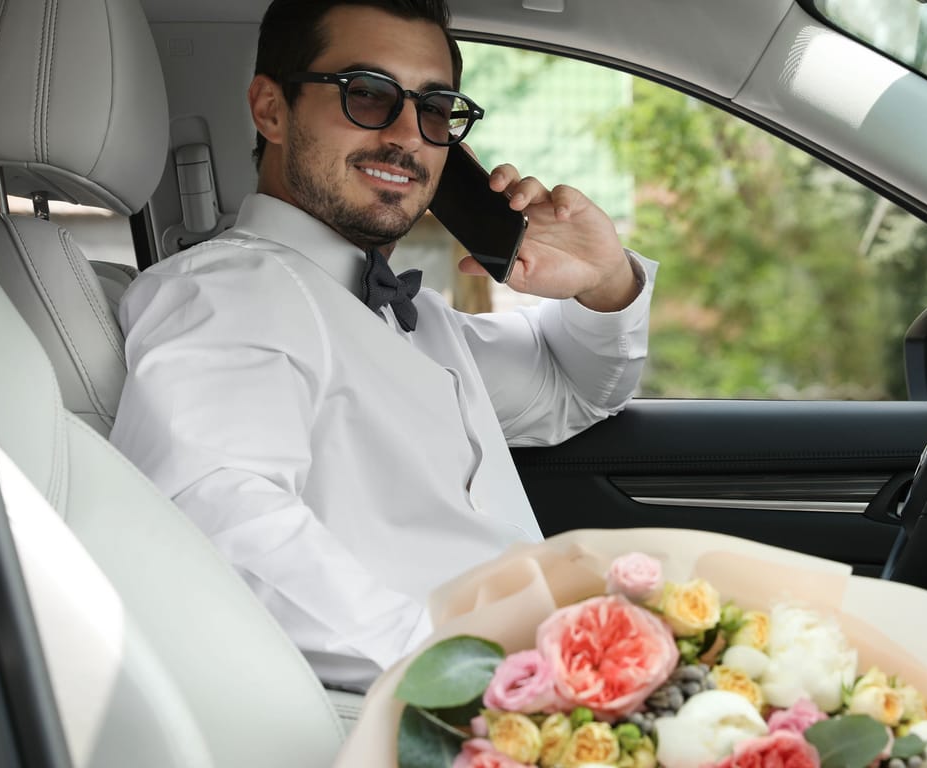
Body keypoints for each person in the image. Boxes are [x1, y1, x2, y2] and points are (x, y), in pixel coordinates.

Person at [109, 0, 657, 693]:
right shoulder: (229, 293)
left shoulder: (414, 314)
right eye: (367, 94)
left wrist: (605, 282)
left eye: (435, 110)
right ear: (271, 109)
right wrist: (494, 675)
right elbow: (225, 534)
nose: (408, 136)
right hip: (449, 708)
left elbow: (574, 389)